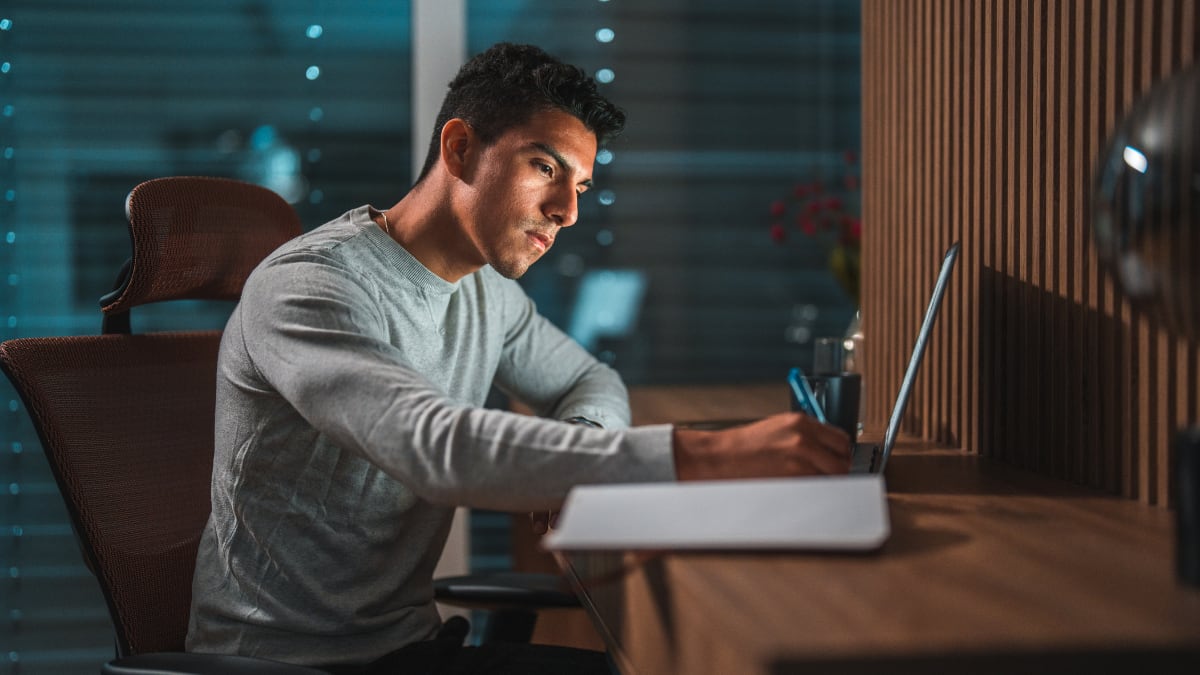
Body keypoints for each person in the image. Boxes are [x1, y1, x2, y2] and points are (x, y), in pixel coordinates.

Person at [185, 42, 850, 674]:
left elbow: (591, 379)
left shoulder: (486, 293)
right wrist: (711, 454)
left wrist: (580, 451)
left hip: (409, 649)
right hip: (283, 662)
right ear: (460, 147)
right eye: (545, 167)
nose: (566, 211)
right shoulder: (309, 285)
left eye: (582, 187)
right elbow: (430, 444)